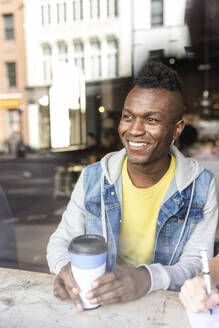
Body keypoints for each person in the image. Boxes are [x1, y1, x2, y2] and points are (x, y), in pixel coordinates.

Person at [47, 61, 218, 312]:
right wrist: (65, 269)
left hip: (165, 308)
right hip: (98, 304)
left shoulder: (201, 186)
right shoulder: (94, 178)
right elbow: (60, 241)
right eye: (128, 116)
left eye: (151, 119)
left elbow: (195, 264)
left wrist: (145, 278)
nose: (134, 130)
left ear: (176, 129)